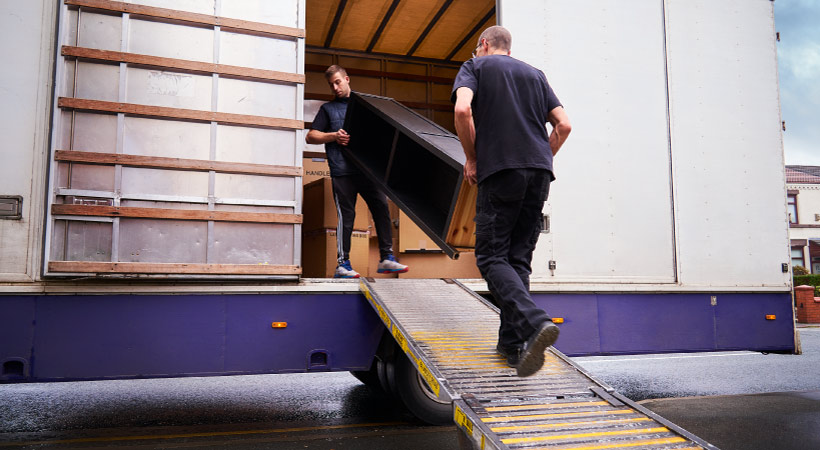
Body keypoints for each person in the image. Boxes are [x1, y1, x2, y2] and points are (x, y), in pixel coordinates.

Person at [451, 26, 571, 377]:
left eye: (477, 47)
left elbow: (462, 111)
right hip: (539, 173)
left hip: (501, 170)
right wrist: (542, 158)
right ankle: (513, 345)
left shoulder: (475, 67)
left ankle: (534, 324)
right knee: (517, 261)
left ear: (484, 45)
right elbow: (563, 125)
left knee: (490, 257)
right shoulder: (536, 75)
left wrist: (472, 158)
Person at [306, 65, 408, 278]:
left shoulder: (365, 106)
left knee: (381, 207)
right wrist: (333, 136)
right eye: (331, 84)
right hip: (342, 172)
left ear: (347, 79)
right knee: (347, 217)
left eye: (338, 82)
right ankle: (342, 265)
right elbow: (311, 136)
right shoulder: (328, 110)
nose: (335, 87)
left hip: (368, 171)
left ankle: (387, 258)